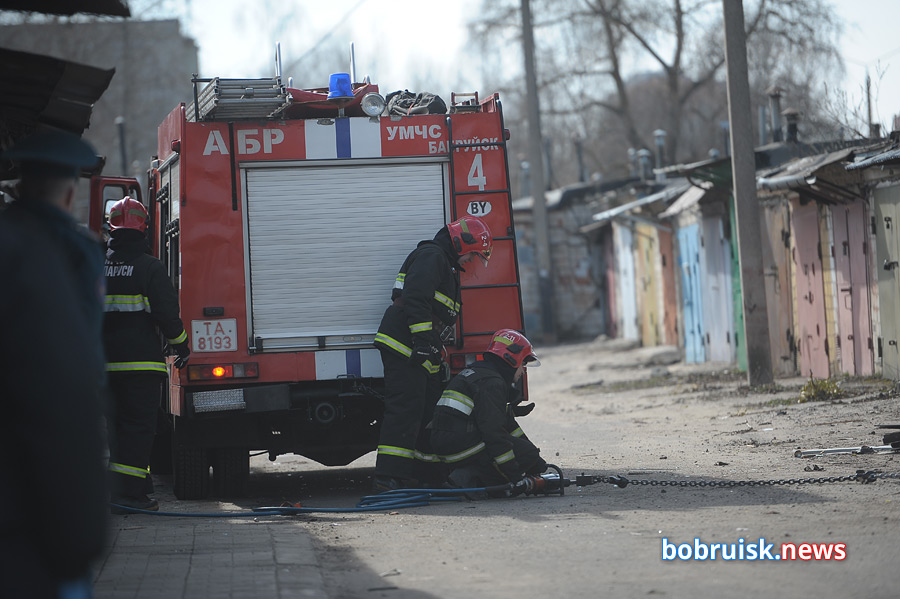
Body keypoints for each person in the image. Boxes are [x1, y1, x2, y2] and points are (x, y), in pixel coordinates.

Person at [0, 130, 109, 598]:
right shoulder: (56, 258)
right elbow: (65, 399)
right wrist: (82, 537)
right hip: (30, 526)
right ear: (69, 193)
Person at [372, 216, 493, 491]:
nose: (471, 263)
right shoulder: (432, 256)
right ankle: (387, 477)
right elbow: (415, 297)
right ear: (463, 245)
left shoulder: (445, 264)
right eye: (472, 256)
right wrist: (423, 339)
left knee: (426, 412)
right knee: (404, 409)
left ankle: (424, 474)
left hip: (418, 348)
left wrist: (432, 347)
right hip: (403, 345)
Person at [103, 196, 191, 511]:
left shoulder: (95, 266)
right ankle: (130, 496)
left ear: (109, 226)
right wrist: (181, 345)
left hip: (103, 368)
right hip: (141, 367)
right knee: (139, 430)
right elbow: (167, 316)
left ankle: (127, 491)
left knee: (117, 430)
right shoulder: (149, 267)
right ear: (143, 227)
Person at [429, 329, 547, 494]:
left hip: (451, 443)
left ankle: (470, 473)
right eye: (523, 364)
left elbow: (507, 426)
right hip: (457, 448)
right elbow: (494, 433)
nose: (523, 371)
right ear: (511, 359)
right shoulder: (491, 383)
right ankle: (471, 478)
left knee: (527, 452)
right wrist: (515, 477)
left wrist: (538, 463)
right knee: (524, 454)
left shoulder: (479, 374)